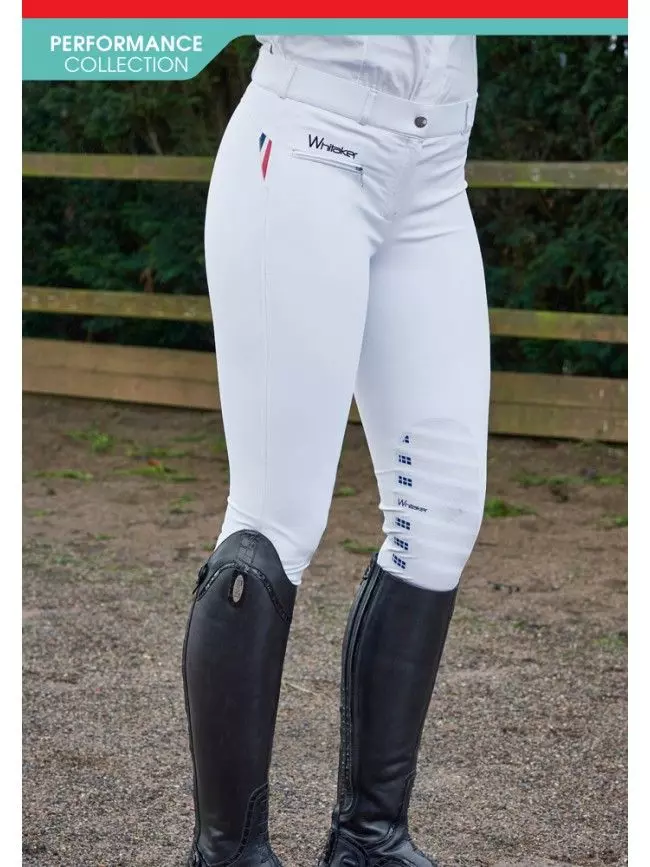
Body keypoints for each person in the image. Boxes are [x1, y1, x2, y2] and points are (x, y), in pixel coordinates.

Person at [182, 35, 490, 867]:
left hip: (435, 169)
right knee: (275, 518)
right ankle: (229, 853)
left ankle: (369, 839)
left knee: (441, 515)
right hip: (311, 136)